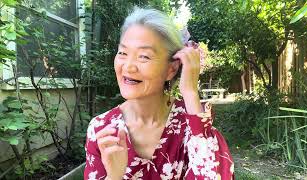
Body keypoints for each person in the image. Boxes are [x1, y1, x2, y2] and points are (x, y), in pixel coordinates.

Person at [84, 7, 234, 180]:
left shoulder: (191, 121)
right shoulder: (102, 128)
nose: (128, 66)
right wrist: (114, 175)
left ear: (171, 69)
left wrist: (190, 92)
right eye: (123, 53)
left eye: (144, 56)